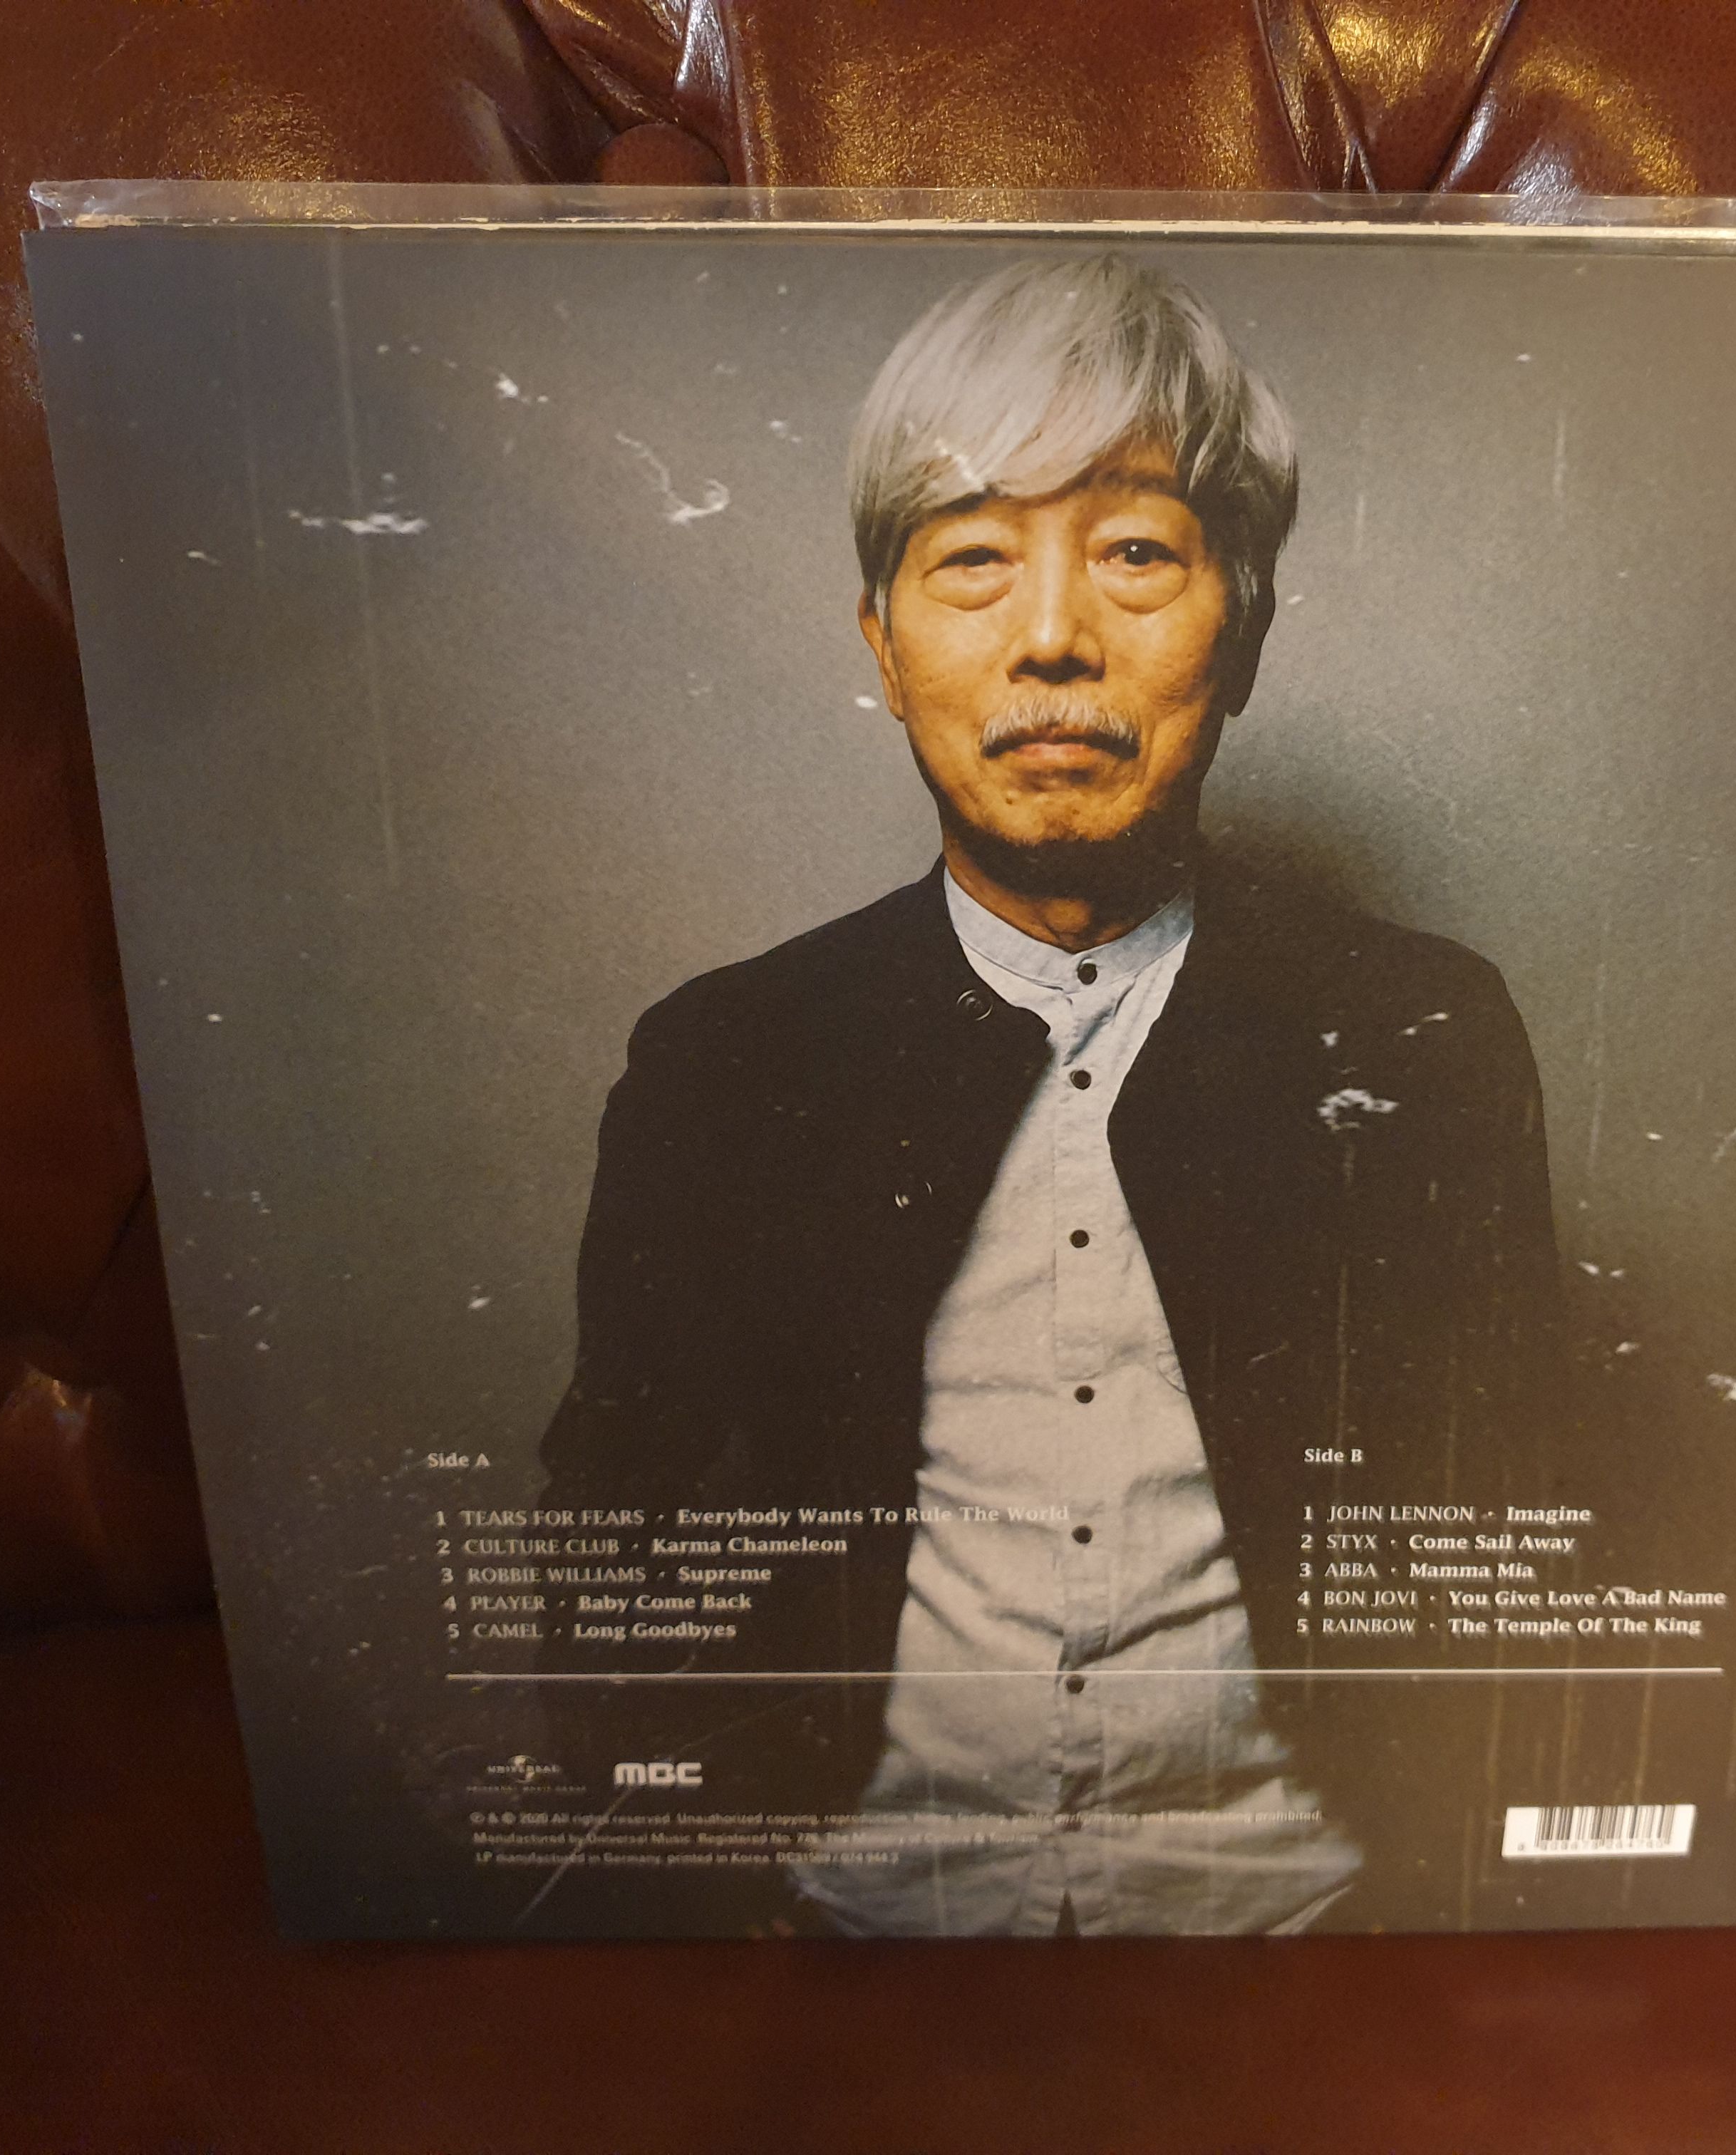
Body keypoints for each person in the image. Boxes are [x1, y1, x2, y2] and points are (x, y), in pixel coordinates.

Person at [536, 253, 1563, 1936]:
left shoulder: (1422, 1033)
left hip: (1307, 1929)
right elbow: (614, 1566)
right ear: (882, 644)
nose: (1055, 638)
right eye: (972, 559)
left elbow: (1513, 1530)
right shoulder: (723, 1062)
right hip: (852, 1933)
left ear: (1247, 626)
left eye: (1139, 552)